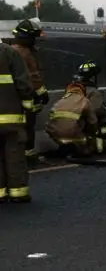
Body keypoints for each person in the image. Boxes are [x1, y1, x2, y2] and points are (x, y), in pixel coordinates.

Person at [0, 37, 34, 203]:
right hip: (11, 117)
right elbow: (23, 83)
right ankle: (17, 192)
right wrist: (29, 105)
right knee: (14, 153)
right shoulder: (9, 53)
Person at [9, 18, 48, 164]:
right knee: (28, 125)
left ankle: (17, 156)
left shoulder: (11, 50)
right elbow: (32, 76)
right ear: (27, 37)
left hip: (11, 97)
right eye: (33, 37)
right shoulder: (24, 53)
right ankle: (29, 155)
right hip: (24, 97)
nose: (35, 41)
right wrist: (42, 93)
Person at [44, 76, 99, 158]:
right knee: (86, 151)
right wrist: (92, 134)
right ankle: (81, 150)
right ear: (82, 91)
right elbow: (93, 121)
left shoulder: (60, 101)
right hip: (74, 134)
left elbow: (50, 119)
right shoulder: (84, 100)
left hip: (55, 134)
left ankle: (64, 146)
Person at [74, 61, 106, 154]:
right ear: (93, 77)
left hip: (68, 130)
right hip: (83, 129)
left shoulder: (73, 90)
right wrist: (104, 109)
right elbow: (94, 112)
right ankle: (92, 146)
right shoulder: (94, 92)